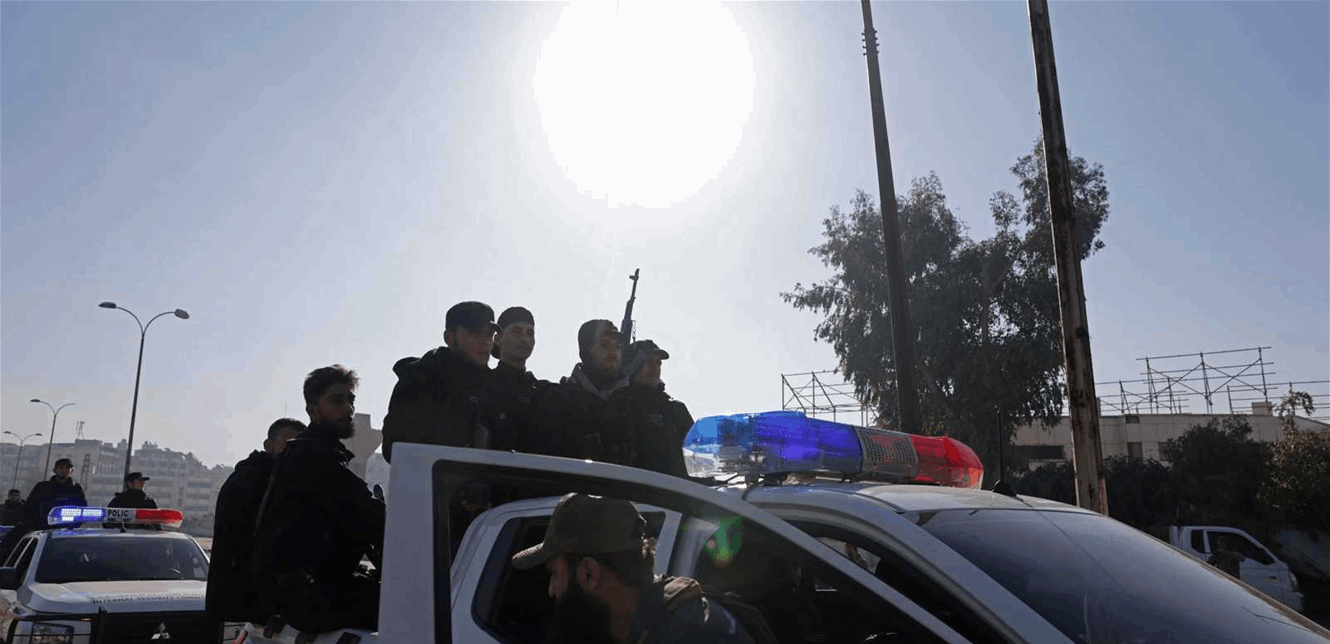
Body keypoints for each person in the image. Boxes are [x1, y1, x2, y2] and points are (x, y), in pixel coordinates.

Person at [512, 493, 756, 644]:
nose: (552, 589)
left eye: (554, 574)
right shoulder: (645, 623)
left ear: (589, 573)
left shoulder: (693, 634)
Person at [251, 366, 384, 633]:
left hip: (299, 593)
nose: (348, 409)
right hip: (311, 597)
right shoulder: (315, 457)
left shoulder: (308, 452)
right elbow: (369, 514)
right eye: (337, 401)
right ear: (312, 411)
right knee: (417, 608)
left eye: (350, 400)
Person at [382, 301, 512, 461]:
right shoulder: (421, 380)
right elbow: (395, 450)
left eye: (489, 334)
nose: (484, 341)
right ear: (449, 337)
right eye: (475, 333)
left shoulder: (495, 387)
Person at [206, 418, 305, 625]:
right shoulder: (255, 480)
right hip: (248, 600)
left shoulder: (264, 477)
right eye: (288, 446)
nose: (293, 454)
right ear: (269, 445)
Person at [533, 320, 634, 465]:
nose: (613, 352)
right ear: (586, 351)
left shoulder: (633, 403)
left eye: (618, 346)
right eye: (605, 345)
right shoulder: (557, 399)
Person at [609, 340, 694, 478]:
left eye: (658, 363)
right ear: (633, 364)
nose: (655, 367)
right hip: (633, 487)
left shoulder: (676, 409)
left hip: (678, 489)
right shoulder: (618, 405)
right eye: (648, 361)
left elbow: (696, 458)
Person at [491, 306, 554, 455]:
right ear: (498, 339)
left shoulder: (545, 392)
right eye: (516, 331)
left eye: (530, 333)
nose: (525, 339)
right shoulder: (483, 384)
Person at [26, 458, 87, 528]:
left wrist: (74, 525)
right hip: (42, 528)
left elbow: (82, 509)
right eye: (61, 468)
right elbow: (29, 507)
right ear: (54, 470)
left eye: (67, 468)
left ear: (71, 471)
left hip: (67, 529)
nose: (64, 470)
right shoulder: (42, 487)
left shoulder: (76, 489)